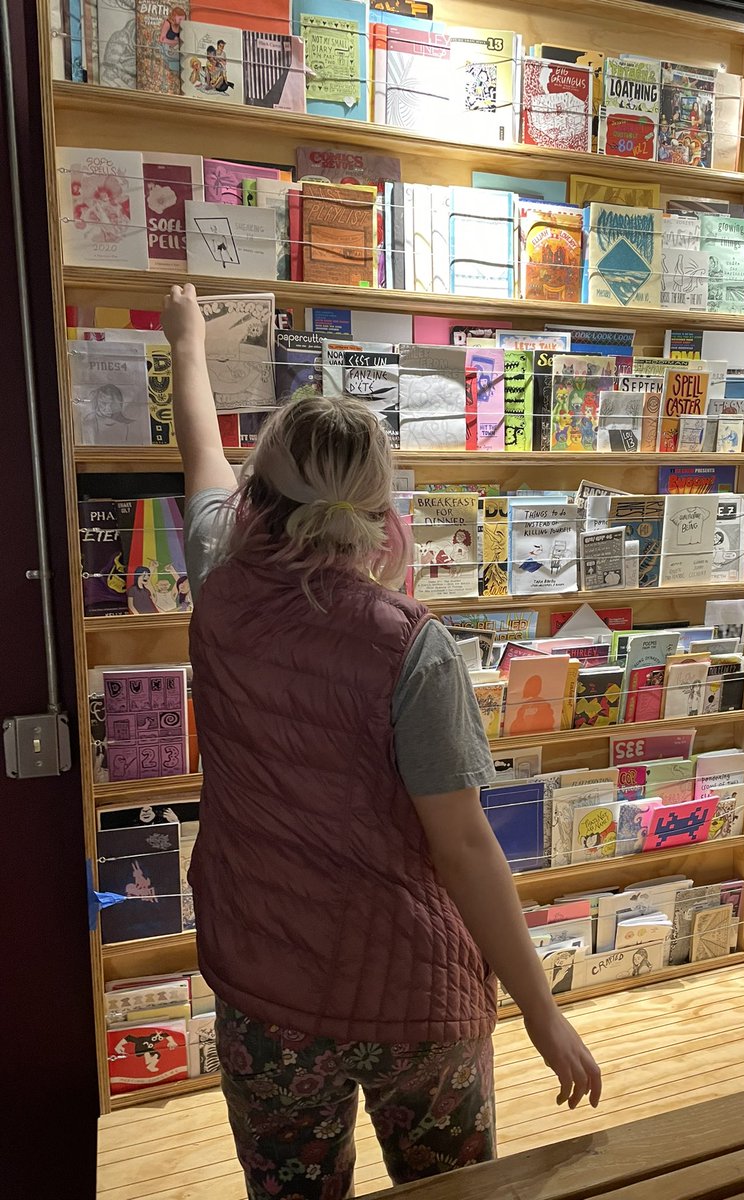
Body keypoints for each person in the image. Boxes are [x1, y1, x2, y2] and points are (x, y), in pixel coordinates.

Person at [162, 283, 601, 1200]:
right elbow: (465, 846)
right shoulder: (412, 644)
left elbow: (199, 450)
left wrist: (187, 343)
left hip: (266, 986)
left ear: (260, 489)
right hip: (412, 991)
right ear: (377, 506)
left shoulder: (217, 575)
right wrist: (542, 1011)